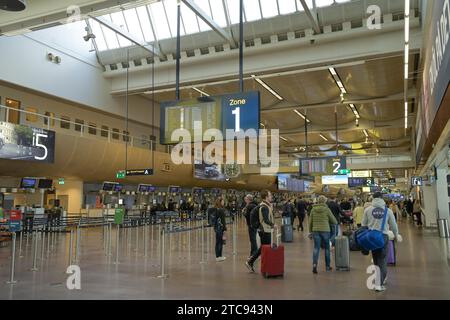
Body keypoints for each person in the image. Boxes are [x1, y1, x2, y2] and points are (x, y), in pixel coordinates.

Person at [362, 192, 401, 292]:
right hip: (383, 236)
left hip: (371, 237)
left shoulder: (367, 210)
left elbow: (363, 225)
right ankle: (379, 284)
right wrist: (396, 235)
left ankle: (379, 279)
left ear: (373, 198)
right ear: (382, 198)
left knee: (376, 260)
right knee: (383, 260)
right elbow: (393, 225)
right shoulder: (387, 210)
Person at [245, 190, 275, 273]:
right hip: (265, 230)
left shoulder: (265, 205)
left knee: (263, 248)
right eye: (270, 195)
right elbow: (265, 219)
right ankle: (251, 261)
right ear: (266, 197)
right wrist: (273, 225)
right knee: (265, 248)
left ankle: (251, 261)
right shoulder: (264, 207)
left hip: (264, 229)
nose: (271, 196)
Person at [309, 196, 337, 274]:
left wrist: (310, 231)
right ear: (325, 201)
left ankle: (314, 265)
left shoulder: (313, 209)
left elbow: (310, 221)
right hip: (325, 231)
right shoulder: (327, 210)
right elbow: (334, 221)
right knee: (327, 248)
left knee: (316, 248)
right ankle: (327, 266)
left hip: (315, 230)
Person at [213, 197, 227, 262]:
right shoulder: (221, 210)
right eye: (223, 201)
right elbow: (223, 221)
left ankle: (218, 256)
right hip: (220, 228)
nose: (223, 202)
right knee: (220, 242)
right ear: (220, 202)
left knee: (217, 242)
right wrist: (225, 229)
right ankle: (219, 256)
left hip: (216, 227)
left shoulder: (215, 209)